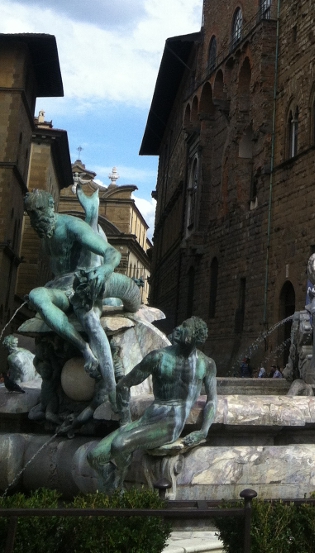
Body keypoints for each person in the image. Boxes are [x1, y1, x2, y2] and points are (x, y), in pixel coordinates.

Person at [23, 189, 128, 412]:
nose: (35, 218)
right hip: (60, 288)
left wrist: (105, 271)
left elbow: (111, 252)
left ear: (51, 206)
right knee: (36, 295)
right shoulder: (45, 236)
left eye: (39, 211)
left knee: (90, 322)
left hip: (82, 284)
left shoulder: (71, 226)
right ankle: (84, 349)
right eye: (31, 214)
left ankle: (111, 392)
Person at [87, 317, 217, 491]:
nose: (177, 327)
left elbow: (212, 400)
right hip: (148, 419)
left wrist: (203, 431)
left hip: (171, 424)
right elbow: (124, 384)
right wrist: (125, 420)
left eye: (184, 326)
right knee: (94, 456)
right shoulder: (158, 357)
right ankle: (116, 490)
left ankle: (118, 491)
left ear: (193, 336)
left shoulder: (206, 364)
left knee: (120, 444)